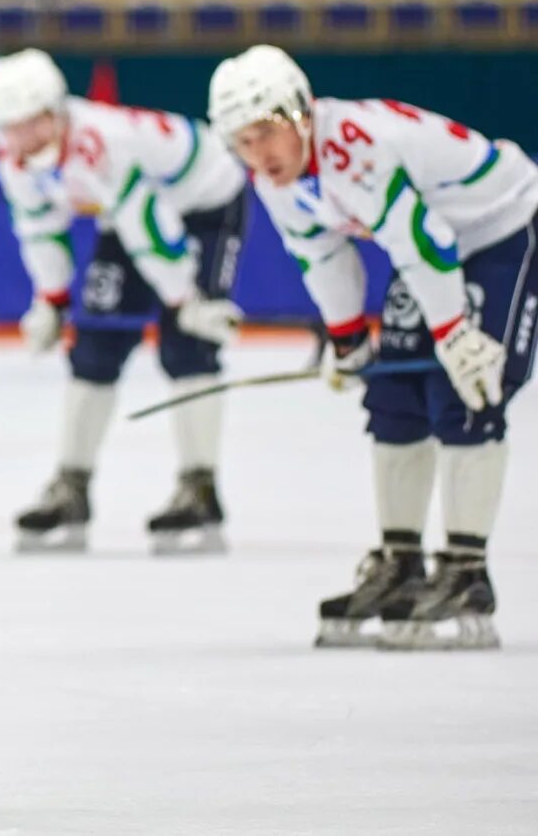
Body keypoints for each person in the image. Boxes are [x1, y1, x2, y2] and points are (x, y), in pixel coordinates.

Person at [208, 45, 538, 650]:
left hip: (503, 226)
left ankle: (467, 571)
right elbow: (322, 254)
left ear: (299, 113)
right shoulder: (278, 176)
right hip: (438, 246)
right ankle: (401, 561)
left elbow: (423, 240)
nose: (258, 155)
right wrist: (349, 340)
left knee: (467, 390)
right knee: (392, 395)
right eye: (242, 142)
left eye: (265, 135)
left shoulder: (351, 147)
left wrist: (455, 335)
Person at [0, 49, 247, 554]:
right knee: (95, 348)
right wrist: (52, 302)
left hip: (206, 200)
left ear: (56, 113)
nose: (21, 138)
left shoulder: (100, 145)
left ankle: (200, 485)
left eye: (31, 123)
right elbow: (39, 229)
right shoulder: (14, 156)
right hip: (133, 213)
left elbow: (150, 229)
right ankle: (72, 484)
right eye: (9, 126)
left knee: (189, 344)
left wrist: (188, 299)